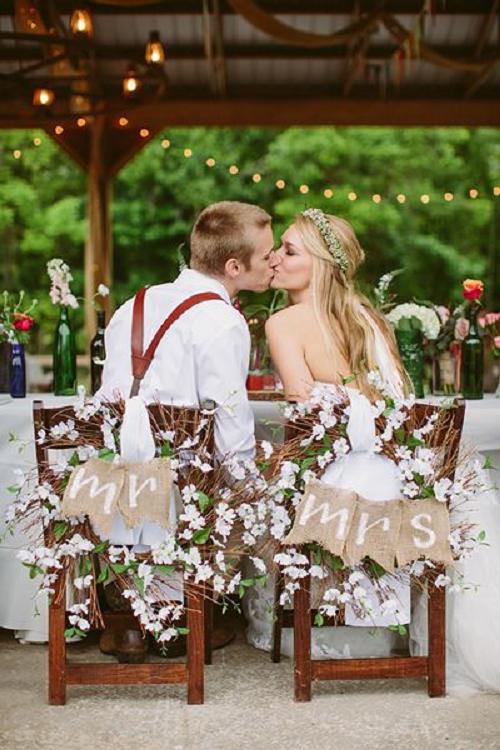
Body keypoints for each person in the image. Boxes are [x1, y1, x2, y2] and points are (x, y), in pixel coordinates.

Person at [245, 208, 500, 695]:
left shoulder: (282, 322)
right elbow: (396, 403)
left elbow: (304, 408)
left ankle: (302, 625)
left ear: (320, 265)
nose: (275, 257)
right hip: (402, 476)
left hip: (337, 480)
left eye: (289, 250)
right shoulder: (371, 319)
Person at [97, 200, 275, 660]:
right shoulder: (223, 320)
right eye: (267, 254)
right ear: (234, 266)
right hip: (180, 487)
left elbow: (111, 398)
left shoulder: (131, 305)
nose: (274, 261)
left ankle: (130, 618)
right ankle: (179, 618)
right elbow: (229, 424)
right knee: (245, 489)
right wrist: (255, 491)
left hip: (113, 482)